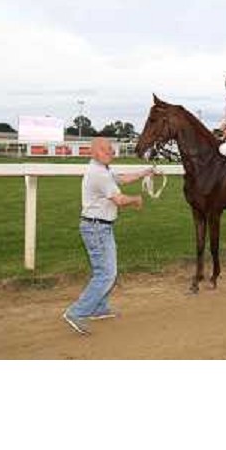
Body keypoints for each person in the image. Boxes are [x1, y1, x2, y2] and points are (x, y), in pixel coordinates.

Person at [63, 137, 154, 335]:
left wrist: (145, 172)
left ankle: (99, 308)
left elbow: (121, 178)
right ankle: (76, 312)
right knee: (106, 274)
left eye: (111, 149)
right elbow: (119, 199)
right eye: (106, 150)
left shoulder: (102, 169)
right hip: (96, 228)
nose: (111, 152)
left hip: (99, 227)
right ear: (94, 152)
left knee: (105, 270)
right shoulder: (99, 174)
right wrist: (136, 199)